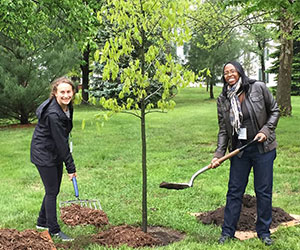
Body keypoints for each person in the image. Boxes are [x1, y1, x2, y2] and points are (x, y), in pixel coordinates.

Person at [211, 61, 280, 246]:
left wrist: (266, 131)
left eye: (232, 71)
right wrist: (218, 154)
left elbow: (274, 111)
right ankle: (227, 232)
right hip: (239, 151)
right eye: (226, 72)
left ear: (240, 72)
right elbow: (224, 130)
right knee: (234, 191)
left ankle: (264, 232)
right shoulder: (223, 99)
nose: (229, 74)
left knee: (263, 191)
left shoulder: (258, 88)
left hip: (263, 149)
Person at [30, 77, 77, 241]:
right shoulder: (53, 114)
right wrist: (71, 168)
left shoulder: (66, 105)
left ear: (73, 92)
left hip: (53, 151)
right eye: (62, 92)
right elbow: (60, 143)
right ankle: (54, 230)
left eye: (68, 91)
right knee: (52, 191)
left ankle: (42, 222)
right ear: (55, 93)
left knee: (53, 189)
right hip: (44, 154)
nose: (66, 95)